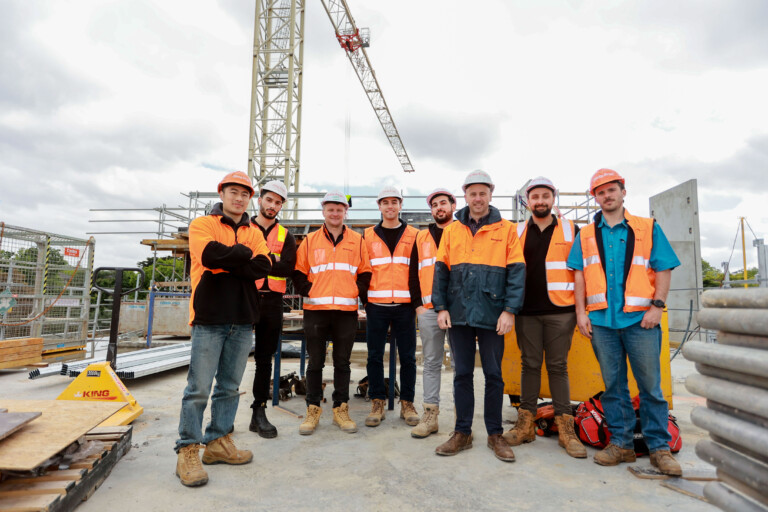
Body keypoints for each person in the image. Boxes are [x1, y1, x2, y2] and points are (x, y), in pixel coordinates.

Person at [567, 168, 681, 475]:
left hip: (640, 321)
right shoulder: (587, 233)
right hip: (602, 321)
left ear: (623, 192)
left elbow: (664, 267)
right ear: (596, 198)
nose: (607, 196)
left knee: (650, 388)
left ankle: (659, 448)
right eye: (600, 192)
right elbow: (578, 274)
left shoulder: (647, 227)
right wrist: (581, 313)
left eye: (611, 190)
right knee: (613, 388)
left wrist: (658, 306)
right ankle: (621, 444)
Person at [174, 171, 272, 487]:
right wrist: (241, 256)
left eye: (245, 194)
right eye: (233, 191)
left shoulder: (254, 231)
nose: (239, 198)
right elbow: (208, 255)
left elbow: (263, 265)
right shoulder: (202, 225)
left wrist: (231, 259)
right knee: (198, 388)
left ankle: (217, 443)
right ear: (222, 193)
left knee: (229, 387)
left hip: (243, 319)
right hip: (209, 318)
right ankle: (188, 449)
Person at [432, 170, 525, 462]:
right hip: (458, 312)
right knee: (461, 374)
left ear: (490, 194)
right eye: (472, 193)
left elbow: (516, 273)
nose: (478, 198)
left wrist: (510, 310)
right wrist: (441, 307)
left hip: (493, 313)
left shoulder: (507, 229)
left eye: (482, 193)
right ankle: (463, 433)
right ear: (465, 196)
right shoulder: (452, 230)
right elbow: (441, 272)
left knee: (494, 375)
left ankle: (495, 435)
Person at [501, 177, 585, 458]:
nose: (540, 201)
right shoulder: (517, 231)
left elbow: (582, 272)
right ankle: (525, 425)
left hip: (561, 311)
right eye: (535, 196)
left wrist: (581, 309)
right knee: (530, 365)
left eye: (545, 196)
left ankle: (565, 428)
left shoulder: (572, 230)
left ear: (553, 199)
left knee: (558, 367)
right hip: (526, 310)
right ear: (527, 201)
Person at [293, 191, 372, 435]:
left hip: (345, 312)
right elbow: (298, 272)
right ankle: (313, 408)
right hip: (316, 311)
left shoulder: (357, 241)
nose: (335, 213)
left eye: (339, 209)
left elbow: (365, 271)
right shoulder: (310, 240)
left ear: (345, 212)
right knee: (315, 363)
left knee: (342, 363)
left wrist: (353, 292)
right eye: (330, 209)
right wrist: (310, 289)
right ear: (323, 211)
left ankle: (340, 408)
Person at [362, 186, 420, 428]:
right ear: (379, 206)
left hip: (405, 306)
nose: (390, 206)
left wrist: (418, 303)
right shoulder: (367, 235)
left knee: (408, 357)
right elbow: (363, 269)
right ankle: (377, 401)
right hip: (376, 305)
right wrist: (364, 300)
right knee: (374, 356)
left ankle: (407, 402)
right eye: (385, 202)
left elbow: (418, 270)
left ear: (400, 205)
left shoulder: (415, 234)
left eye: (394, 202)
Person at [248, 180, 297, 439]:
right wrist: (272, 260)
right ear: (260, 200)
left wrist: (259, 260)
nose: (273, 206)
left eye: (278, 203)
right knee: (230, 358)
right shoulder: (243, 228)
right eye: (269, 200)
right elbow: (239, 261)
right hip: (244, 297)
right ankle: (223, 414)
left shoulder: (285, 235)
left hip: (273, 301)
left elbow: (288, 268)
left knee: (264, 359)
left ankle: (259, 412)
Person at [410, 187, 457, 438]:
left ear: (453, 206)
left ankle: (463, 419)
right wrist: (418, 305)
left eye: (443, 203)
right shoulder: (421, 237)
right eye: (435, 204)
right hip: (428, 310)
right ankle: (430, 416)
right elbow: (412, 274)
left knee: (461, 365)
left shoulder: (463, 232)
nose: (439, 207)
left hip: (457, 311)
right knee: (431, 362)